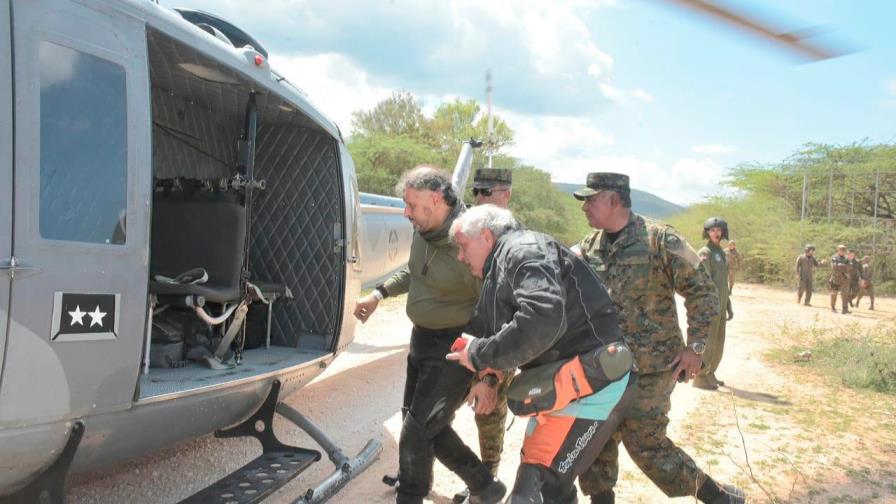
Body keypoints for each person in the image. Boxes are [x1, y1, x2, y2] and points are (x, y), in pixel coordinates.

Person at [573, 173, 744, 504]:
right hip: (602, 367)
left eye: (590, 199)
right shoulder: (589, 246)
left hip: (650, 368)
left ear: (614, 200)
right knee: (594, 442)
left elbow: (703, 292)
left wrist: (695, 348)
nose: (585, 207)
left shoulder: (659, 239)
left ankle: (719, 497)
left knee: (646, 444)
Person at [448, 204, 636, 504]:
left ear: (485, 237)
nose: (460, 256)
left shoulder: (522, 250)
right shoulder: (501, 264)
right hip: (560, 384)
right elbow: (493, 331)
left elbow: (542, 319)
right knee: (552, 488)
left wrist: (481, 354)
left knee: (534, 485)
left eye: (462, 246)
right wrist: (487, 375)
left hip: (591, 381)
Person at [353, 166, 506, 504]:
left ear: (436, 200)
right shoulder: (425, 229)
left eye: (410, 204)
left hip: (455, 347)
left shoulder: (467, 240)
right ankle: (485, 485)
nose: (405, 212)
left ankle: (409, 496)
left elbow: (494, 310)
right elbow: (416, 269)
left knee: (418, 430)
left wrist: (488, 375)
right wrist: (379, 294)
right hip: (421, 339)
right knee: (420, 423)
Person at [453, 168, 516, 504]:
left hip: (497, 346)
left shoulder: (513, 242)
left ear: (504, 194)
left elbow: (514, 320)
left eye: (485, 191)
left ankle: (486, 481)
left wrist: (491, 375)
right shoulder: (470, 232)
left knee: (488, 414)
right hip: (463, 339)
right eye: (475, 191)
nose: (478, 198)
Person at [694, 217, 734, 391]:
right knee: (709, 342)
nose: (716, 233)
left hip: (722, 303)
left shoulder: (722, 252)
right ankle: (700, 377)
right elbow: (704, 280)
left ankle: (710, 373)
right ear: (707, 233)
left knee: (719, 342)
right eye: (712, 230)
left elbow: (723, 282)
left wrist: (728, 304)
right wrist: (712, 304)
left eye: (718, 230)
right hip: (711, 305)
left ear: (723, 232)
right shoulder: (706, 252)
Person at [829, 245, 850, 314]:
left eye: (844, 250)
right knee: (834, 294)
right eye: (841, 250)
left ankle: (845, 309)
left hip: (844, 278)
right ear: (838, 250)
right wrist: (841, 266)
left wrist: (841, 265)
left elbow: (849, 267)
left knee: (845, 294)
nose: (843, 252)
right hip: (835, 278)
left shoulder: (846, 258)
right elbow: (834, 266)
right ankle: (833, 307)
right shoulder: (834, 257)